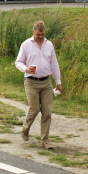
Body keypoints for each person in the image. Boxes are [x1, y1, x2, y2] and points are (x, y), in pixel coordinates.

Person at [15, 21, 62, 149]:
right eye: (38, 34)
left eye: (42, 34)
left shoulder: (49, 45)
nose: (40, 37)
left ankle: (45, 141)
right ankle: (25, 128)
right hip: (31, 82)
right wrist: (25, 69)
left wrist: (58, 82)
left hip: (46, 82)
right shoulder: (26, 45)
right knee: (34, 109)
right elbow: (18, 62)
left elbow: (54, 65)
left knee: (47, 112)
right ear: (33, 32)